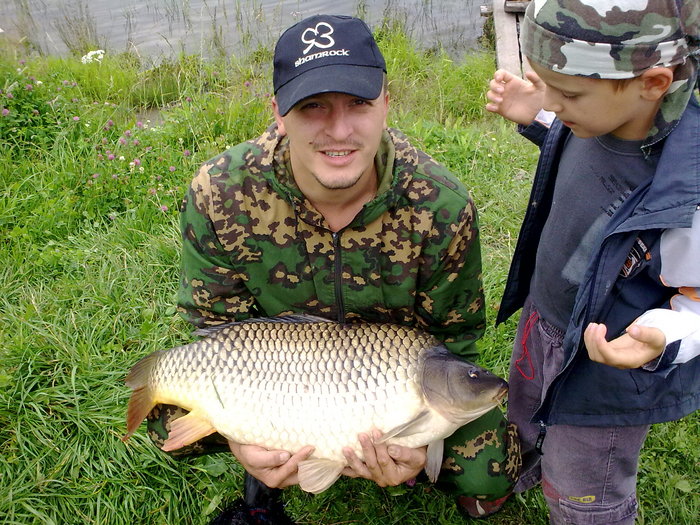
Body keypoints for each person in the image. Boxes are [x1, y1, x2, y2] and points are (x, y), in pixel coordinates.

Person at [146, 14, 520, 525]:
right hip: (272, 376)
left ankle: (409, 467)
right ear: (278, 113)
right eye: (313, 106)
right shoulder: (220, 193)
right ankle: (271, 450)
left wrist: (415, 443)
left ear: (387, 103)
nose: (339, 130)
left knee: (490, 469)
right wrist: (240, 434)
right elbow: (217, 329)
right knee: (165, 421)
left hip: (400, 379)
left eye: (359, 104)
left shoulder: (440, 204)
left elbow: (454, 340)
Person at [485, 0, 699, 523]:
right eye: (545, 84)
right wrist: (536, 114)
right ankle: (521, 464)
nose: (554, 102)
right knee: (523, 408)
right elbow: (577, 145)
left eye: (567, 94)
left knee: (586, 481)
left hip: (604, 369)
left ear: (652, 83)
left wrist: (666, 334)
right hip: (545, 317)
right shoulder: (599, 113)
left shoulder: (687, 192)